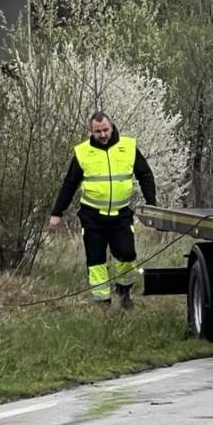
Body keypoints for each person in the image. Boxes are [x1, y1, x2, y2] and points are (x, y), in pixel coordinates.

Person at [50, 113, 157, 308]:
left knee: (127, 255)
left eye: (105, 130)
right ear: (91, 131)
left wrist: (151, 202)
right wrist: (57, 212)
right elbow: (69, 184)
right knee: (96, 260)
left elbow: (145, 175)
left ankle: (124, 293)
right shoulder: (83, 152)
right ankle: (102, 303)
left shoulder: (128, 147)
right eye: (98, 131)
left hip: (121, 215)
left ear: (112, 126)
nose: (102, 134)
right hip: (92, 216)